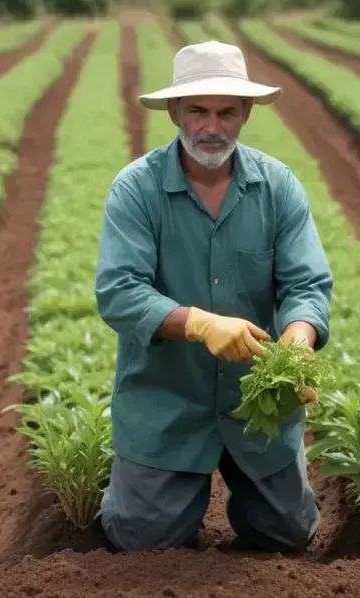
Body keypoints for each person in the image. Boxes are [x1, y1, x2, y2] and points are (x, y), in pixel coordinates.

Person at [92, 40, 333, 554]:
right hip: (168, 397)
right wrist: (201, 324)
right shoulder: (137, 190)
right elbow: (119, 291)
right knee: (144, 540)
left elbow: (306, 286)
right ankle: (128, 486)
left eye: (226, 111)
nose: (211, 126)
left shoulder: (277, 187)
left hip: (257, 400)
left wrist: (296, 340)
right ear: (175, 112)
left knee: (286, 534)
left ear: (246, 112)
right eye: (197, 110)